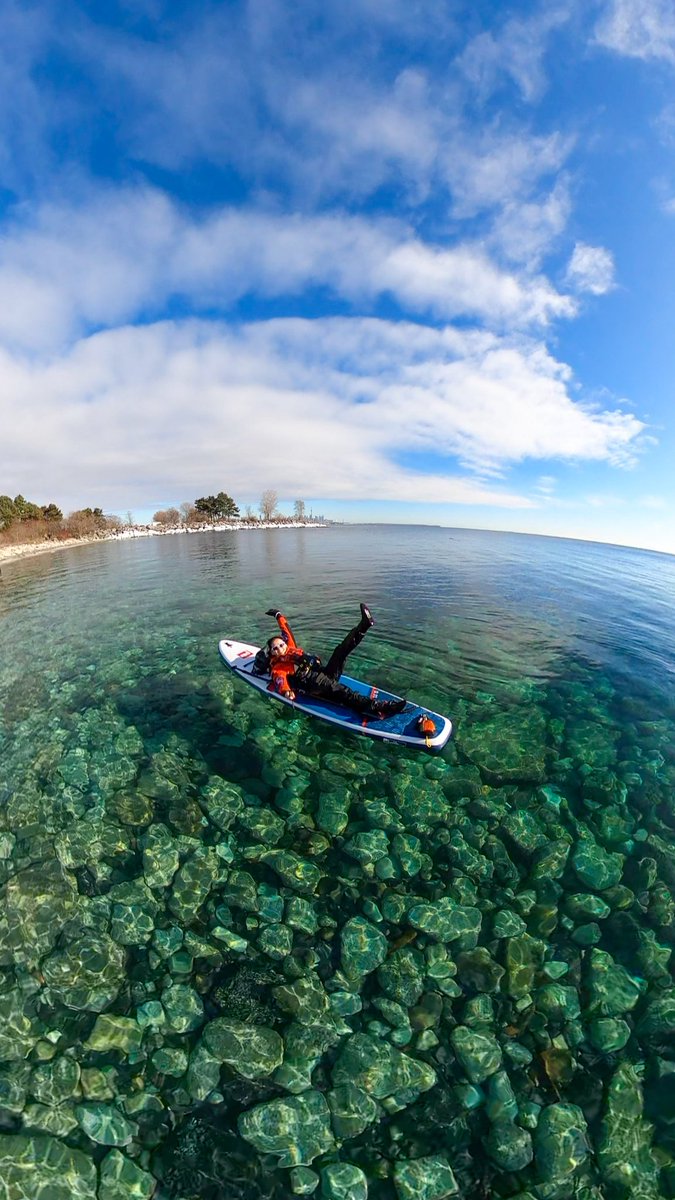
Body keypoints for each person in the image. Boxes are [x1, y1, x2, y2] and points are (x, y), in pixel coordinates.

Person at [259, 605, 407, 720]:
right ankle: (377, 707)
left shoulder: (290, 647)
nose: (280, 649)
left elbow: (285, 630)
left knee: (340, 652)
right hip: (311, 683)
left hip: (321, 673)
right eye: (275, 649)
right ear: (272, 653)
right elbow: (280, 680)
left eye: (281, 645)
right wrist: (286, 692)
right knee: (343, 691)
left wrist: (278, 615)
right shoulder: (279, 666)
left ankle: (364, 626)